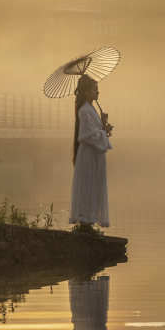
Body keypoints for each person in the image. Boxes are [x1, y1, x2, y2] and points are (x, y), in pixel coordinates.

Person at [69, 74, 112, 228]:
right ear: (86, 92)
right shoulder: (84, 110)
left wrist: (103, 125)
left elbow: (95, 131)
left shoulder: (90, 109)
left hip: (92, 153)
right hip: (88, 154)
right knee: (88, 184)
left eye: (97, 90)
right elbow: (88, 135)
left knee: (93, 184)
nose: (97, 93)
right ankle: (85, 221)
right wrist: (102, 130)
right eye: (95, 90)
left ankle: (89, 221)